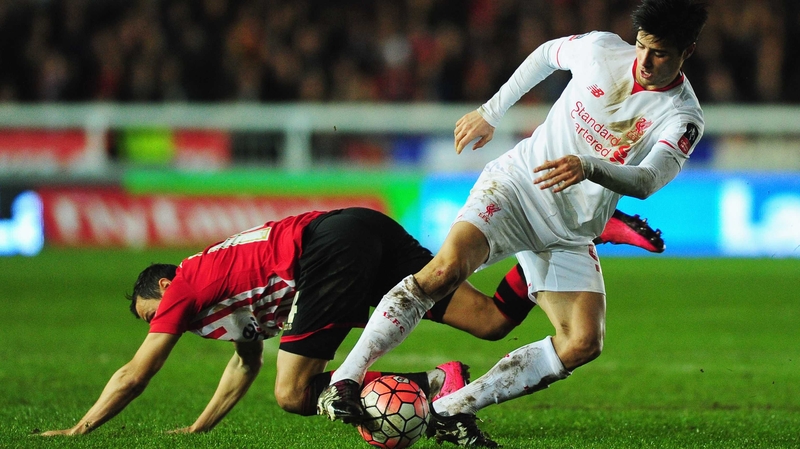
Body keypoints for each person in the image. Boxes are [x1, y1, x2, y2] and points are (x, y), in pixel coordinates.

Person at [317, 1, 708, 447]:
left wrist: (589, 166)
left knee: (582, 341)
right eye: (641, 46)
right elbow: (545, 55)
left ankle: (451, 408)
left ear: (687, 52)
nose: (644, 61)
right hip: (516, 188)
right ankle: (346, 379)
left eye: (659, 53)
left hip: (569, 231)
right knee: (445, 270)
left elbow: (649, 178)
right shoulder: (601, 49)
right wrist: (491, 110)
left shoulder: (683, 115)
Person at [38, 204, 660, 437]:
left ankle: (418, 396)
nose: (161, 325)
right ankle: (570, 235)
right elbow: (243, 363)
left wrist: (80, 429)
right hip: (356, 228)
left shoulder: (186, 286)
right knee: (494, 321)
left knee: (295, 394)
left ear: (165, 288)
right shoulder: (218, 295)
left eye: (154, 314)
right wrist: (199, 430)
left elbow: (134, 375)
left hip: (325, 254)